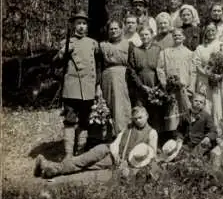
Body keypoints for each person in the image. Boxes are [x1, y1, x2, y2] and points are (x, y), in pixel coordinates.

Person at [35, 106, 158, 179]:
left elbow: (151, 155)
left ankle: (50, 168)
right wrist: (115, 152)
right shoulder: (130, 126)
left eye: (140, 118)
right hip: (109, 149)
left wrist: (127, 164)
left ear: (146, 116)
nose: (138, 121)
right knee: (83, 159)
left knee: (86, 166)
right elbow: (117, 141)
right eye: (135, 118)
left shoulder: (152, 133)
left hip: (120, 161)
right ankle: (51, 168)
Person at [53, 10, 101, 159]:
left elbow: (99, 65)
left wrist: (97, 85)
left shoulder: (93, 43)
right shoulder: (66, 43)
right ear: (74, 25)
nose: (81, 26)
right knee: (70, 119)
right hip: (72, 87)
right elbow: (55, 64)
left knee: (85, 120)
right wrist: (62, 53)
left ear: (87, 26)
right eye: (78, 23)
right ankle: (68, 154)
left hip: (88, 87)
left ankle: (80, 151)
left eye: (84, 23)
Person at [193, 22, 223, 133]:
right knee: (209, 104)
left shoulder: (222, 45)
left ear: (216, 31)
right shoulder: (200, 48)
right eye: (208, 30)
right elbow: (197, 64)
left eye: (212, 30)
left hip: (222, 80)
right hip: (206, 80)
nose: (210, 33)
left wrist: (220, 74)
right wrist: (208, 74)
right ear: (205, 32)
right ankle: (210, 131)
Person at [156, 28, 194, 141]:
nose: (177, 37)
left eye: (179, 35)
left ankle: (185, 137)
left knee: (186, 111)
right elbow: (160, 69)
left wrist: (190, 86)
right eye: (175, 36)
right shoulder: (165, 52)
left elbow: (193, 72)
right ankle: (172, 137)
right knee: (172, 113)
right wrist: (165, 84)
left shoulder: (190, 53)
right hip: (171, 89)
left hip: (184, 88)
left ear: (184, 37)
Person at [126, 25, 163, 134]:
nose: (144, 37)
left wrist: (158, 86)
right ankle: (140, 137)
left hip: (156, 87)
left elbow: (163, 68)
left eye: (147, 34)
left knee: (156, 114)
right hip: (140, 88)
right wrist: (141, 86)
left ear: (152, 35)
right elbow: (131, 70)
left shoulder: (158, 49)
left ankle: (156, 141)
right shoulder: (135, 51)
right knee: (140, 113)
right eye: (142, 35)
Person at [99, 19, 132, 135]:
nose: (113, 31)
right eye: (111, 29)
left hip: (123, 77)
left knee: (122, 105)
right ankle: (109, 134)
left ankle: (124, 132)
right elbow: (99, 66)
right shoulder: (103, 46)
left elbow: (132, 63)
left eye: (116, 28)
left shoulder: (128, 44)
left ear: (121, 30)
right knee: (108, 104)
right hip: (107, 78)